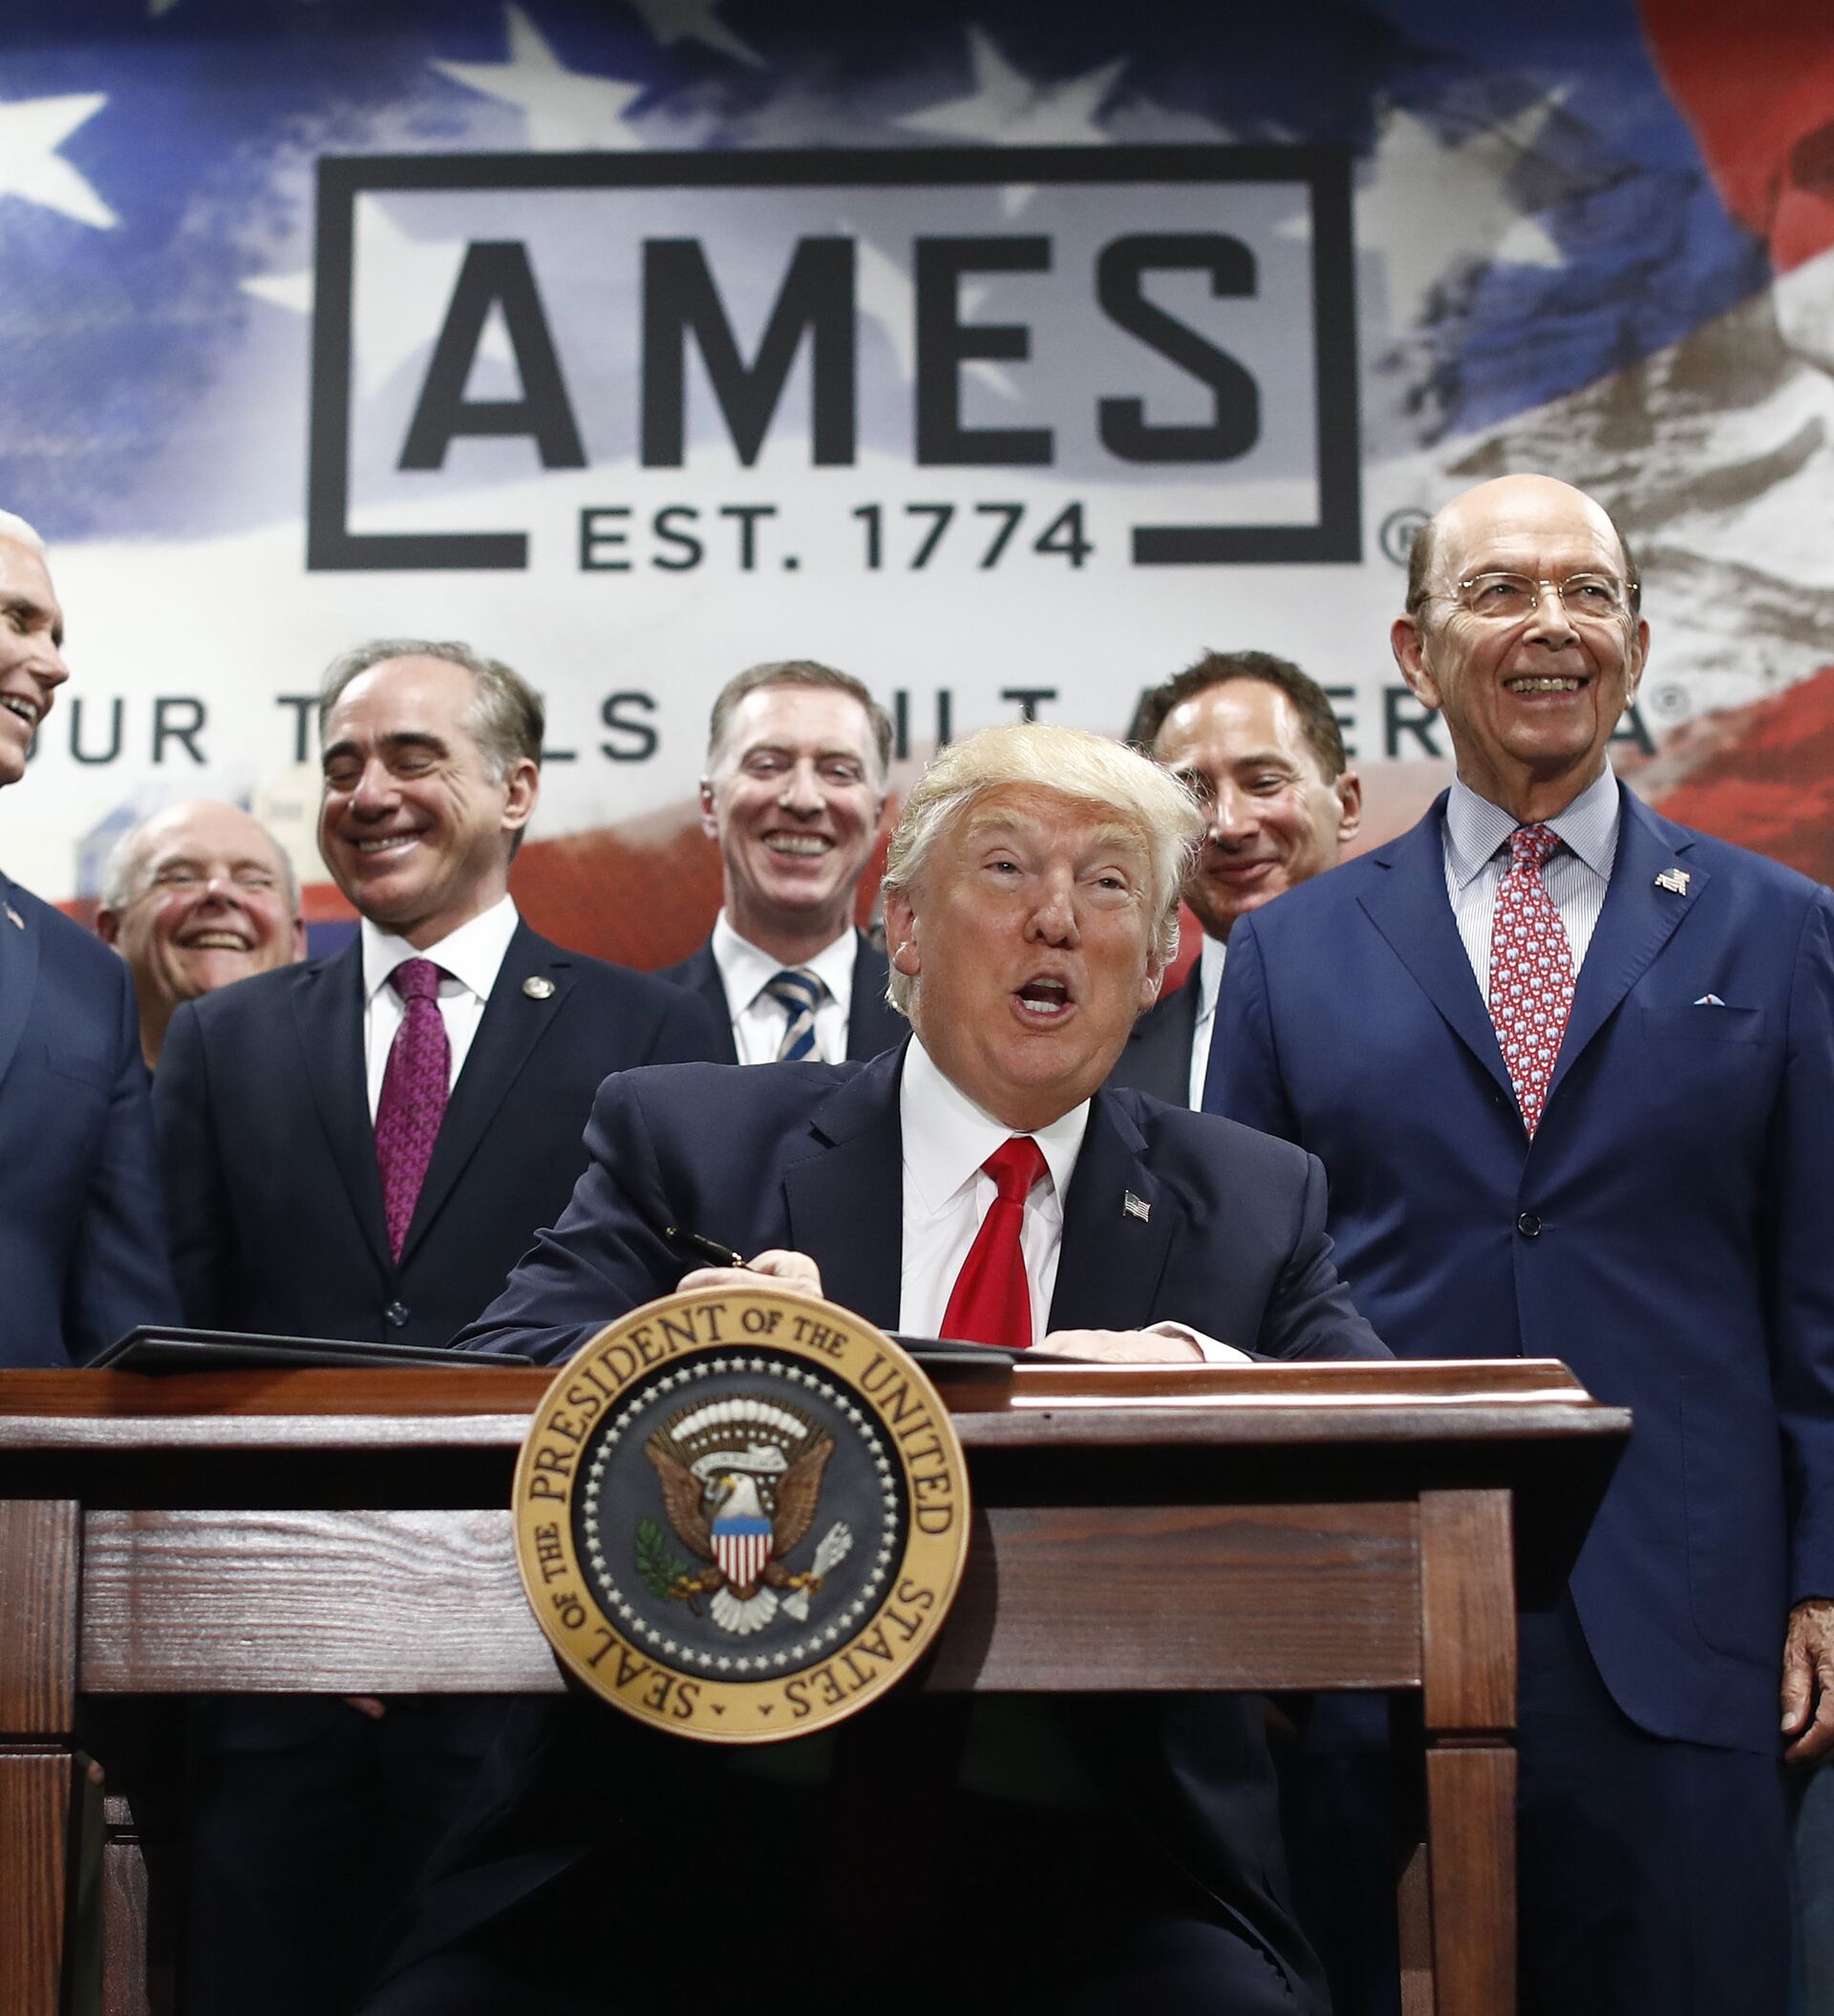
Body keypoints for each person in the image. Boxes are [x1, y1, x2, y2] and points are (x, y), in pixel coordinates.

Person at [361, 721, 1388, 2016]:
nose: (1057, 918)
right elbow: (498, 1380)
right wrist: (675, 1351)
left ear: (1158, 962)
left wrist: (1203, 1367)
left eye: (1109, 883)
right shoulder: (692, 1139)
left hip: (1103, 1852)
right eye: (1006, 869)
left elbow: (1389, 1456)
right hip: (680, 1816)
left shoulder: (1249, 1200)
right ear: (902, 926)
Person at [1207, 473, 1834, 2016]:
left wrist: (1827, 1577)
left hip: (1692, 1625)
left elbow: (1820, 1295)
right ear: (1415, 653)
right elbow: (1238, 1312)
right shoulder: (1292, 952)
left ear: (1638, 643)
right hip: (1367, 1625)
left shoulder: (1782, 931)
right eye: (1499, 592)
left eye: (1587, 592)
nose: (1550, 624)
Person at [152, 638, 725, 2016]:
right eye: (343, 764)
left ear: (518, 788)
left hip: (544, 1689)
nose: (370, 793)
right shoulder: (226, 1042)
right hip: (277, 1696)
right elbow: (172, 1349)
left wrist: (459, 1604)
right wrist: (313, 1612)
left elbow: (665, 1370)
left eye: (415, 758)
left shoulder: (650, 1035)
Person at [0, 508, 179, 1364]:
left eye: (58, 636)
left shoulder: (85, 980)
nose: (55, 666)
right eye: (16, 619)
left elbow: (124, 1320)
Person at [1111, 651, 1361, 1105]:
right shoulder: (1102, 1071)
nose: (1229, 826)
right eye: (1192, 794)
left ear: (1347, 805)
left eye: (1264, 783)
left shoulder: (1445, 1016)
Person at [658, 657, 906, 1062]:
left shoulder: (942, 1030)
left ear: (878, 815)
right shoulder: (623, 1025)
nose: (803, 799)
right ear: (709, 804)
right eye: (768, 766)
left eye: (839, 772)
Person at [96, 799, 307, 1067]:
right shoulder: (60, 1090)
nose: (219, 890)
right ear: (113, 933)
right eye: (182, 878)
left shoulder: (345, 1086)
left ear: (296, 939)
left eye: (253, 881)